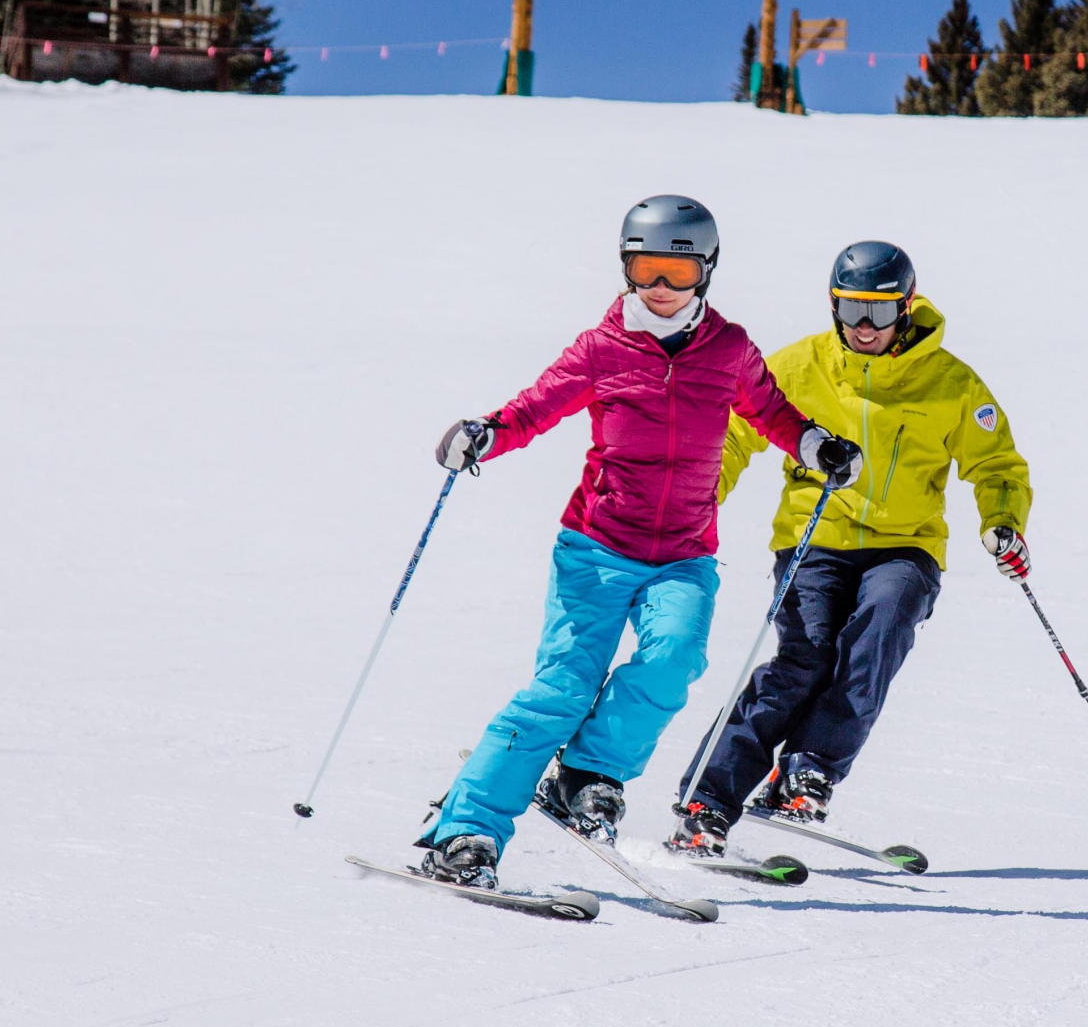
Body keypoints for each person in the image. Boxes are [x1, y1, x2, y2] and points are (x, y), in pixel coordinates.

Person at [415, 197, 864, 892]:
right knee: (561, 690)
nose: (659, 288)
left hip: (684, 553)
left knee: (674, 661)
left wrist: (815, 444)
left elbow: (770, 410)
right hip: (595, 548)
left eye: (676, 272)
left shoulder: (729, 348)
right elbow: (536, 406)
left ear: (705, 272)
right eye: (645, 269)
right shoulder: (601, 348)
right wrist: (486, 433)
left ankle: (589, 774)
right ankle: (465, 831)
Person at [669, 240, 1032, 851]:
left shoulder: (952, 383)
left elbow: (996, 464)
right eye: (851, 310)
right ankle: (711, 797)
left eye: (881, 313)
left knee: (876, 640)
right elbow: (733, 434)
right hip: (815, 540)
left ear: (907, 309)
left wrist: (1002, 521)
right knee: (802, 660)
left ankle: (809, 769)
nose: (865, 327)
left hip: (905, 547)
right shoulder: (799, 367)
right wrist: (699, 497)